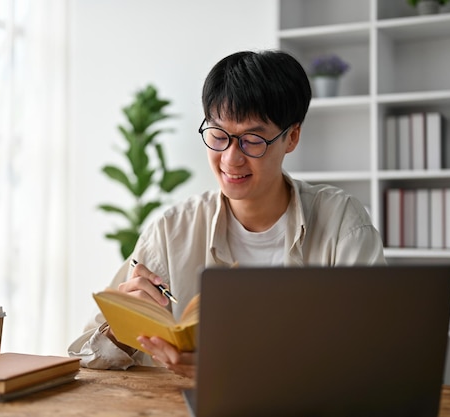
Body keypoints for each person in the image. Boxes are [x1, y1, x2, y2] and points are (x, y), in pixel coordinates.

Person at [68, 49, 385, 379]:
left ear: (291, 137)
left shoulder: (341, 223)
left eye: (252, 140)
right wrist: (123, 329)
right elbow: (85, 356)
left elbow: (377, 351)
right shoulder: (173, 230)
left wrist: (232, 368)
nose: (231, 159)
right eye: (218, 136)